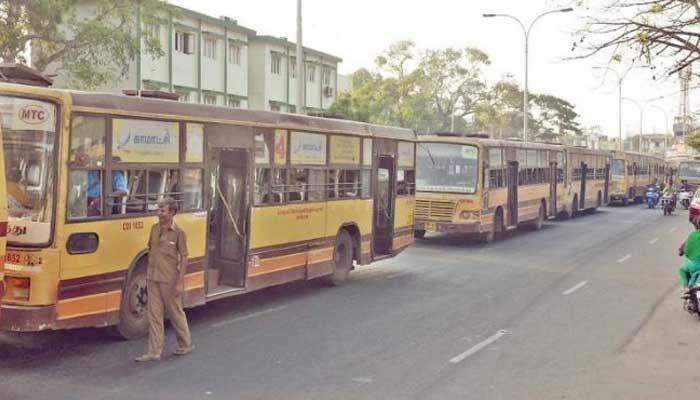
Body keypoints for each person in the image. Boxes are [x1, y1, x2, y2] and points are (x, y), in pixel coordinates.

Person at [135, 198, 194, 362]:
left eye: (163, 210)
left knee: (175, 312)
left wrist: (180, 282)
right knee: (154, 314)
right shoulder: (154, 229)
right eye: (159, 209)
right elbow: (150, 249)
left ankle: (185, 344)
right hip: (153, 277)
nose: (159, 213)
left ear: (172, 213)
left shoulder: (178, 233)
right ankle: (154, 352)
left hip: (170, 279)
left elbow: (184, 256)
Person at [679, 214, 700, 296]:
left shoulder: (693, 235)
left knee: (682, 270)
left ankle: (686, 288)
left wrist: (681, 251)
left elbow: (684, 250)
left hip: (694, 265)